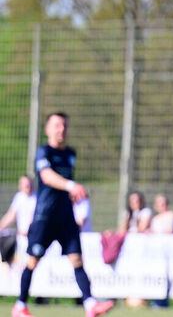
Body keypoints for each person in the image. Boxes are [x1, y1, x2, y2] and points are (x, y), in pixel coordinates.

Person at [11, 112, 114, 317]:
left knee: (77, 260)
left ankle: (90, 305)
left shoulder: (70, 154)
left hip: (66, 217)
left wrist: (73, 194)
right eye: (57, 125)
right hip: (45, 217)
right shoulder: (44, 152)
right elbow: (47, 177)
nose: (62, 129)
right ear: (48, 129)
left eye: (65, 125)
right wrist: (71, 185)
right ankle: (20, 306)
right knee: (32, 261)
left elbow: (63, 186)